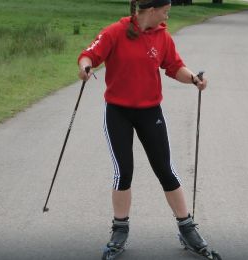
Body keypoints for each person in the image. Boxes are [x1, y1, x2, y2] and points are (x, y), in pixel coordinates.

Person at [77, 0, 215, 257]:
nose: (167, 16)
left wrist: (194, 79)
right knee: (123, 171)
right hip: (118, 112)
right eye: (165, 11)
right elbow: (90, 55)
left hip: (150, 112)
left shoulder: (163, 36)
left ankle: (187, 228)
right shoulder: (114, 32)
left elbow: (174, 66)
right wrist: (85, 67)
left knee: (165, 169)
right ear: (152, 10)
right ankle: (120, 229)